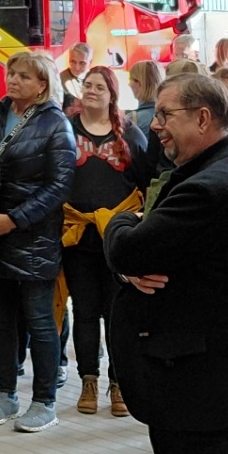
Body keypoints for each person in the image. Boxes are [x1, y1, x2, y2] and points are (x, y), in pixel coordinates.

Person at [105, 72, 228, 454]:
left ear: (202, 118)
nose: (155, 125)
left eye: (165, 114)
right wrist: (133, 253)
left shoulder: (209, 187)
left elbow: (128, 249)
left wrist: (120, 220)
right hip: (193, 379)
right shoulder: (208, 169)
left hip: (198, 385)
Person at [0, 50, 75, 434]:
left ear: (42, 85)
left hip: (34, 236)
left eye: (24, 76)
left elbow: (59, 186)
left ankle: (44, 401)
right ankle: (6, 393)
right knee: (0, 320)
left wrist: (15, 219)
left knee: (39, 320)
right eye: (11, 73)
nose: (13, 80)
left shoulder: (55, 123)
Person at [60, 64, 144, 419]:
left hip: (117, 239)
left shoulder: (131, 134)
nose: (92, 91)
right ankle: (88, 380)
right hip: (77, 237)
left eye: (100, 87)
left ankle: (118, 381)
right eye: (88, 85)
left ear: (112, 95)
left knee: (116, 314)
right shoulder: (66, 129)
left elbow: (144, 182)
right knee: (84, 311)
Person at [126, 59, 164, 131]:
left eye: (130, 79)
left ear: (140, 83)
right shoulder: (169, 116)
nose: (129, 84)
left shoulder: (131, 120)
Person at [60, 42, 93, 106]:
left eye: (82, 63)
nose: (77, 67)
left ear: (90, 62)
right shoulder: (60, 79)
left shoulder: (96, 78)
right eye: (73, 62)